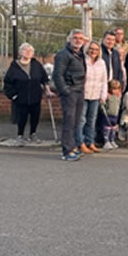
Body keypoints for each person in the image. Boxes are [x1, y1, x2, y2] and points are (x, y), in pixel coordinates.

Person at [4, 42, 52, 146]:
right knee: (22, 117)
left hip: (35, 96)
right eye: (25, 50)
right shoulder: (14, 66)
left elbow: (44, 79)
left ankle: (33, 134)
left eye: (30, 51)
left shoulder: (36, 65)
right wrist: (13, 95)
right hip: (21, 97)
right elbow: (7, 82)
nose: (28, 52)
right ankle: (20, 135)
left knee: (35, 116)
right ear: (20, 52)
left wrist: (48, 90)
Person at [52, 29, 86, 161]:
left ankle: (72, 147)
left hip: (79, 91)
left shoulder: (80, 54)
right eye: (75, 38)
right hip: (70, 92)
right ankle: (67, 151)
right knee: (69, 121)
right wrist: (65, 91)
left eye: (80, 39)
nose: (78, 40)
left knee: (76, 122)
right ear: (69, 39)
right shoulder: (63, 54)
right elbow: (57, 74)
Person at [75, 41, 107, 154]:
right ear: (87, 49)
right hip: (83, 94)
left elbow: (104, 80)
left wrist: (103, 95)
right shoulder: (82, 61)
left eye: (96, 49)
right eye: (91, 49)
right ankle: (80, 143)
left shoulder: (101, 63)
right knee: (81, 120)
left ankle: (90, 142)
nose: (93, 51)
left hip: (96, 95)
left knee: (92, 120)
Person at [101, 80, 123, 150]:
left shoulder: (118, 97)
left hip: (115, 115)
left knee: (113, 129)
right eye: (114, 89)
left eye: (117, 89)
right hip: (108, 115)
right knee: (107, 129)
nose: (115, 91)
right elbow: (103, 105)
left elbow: (118, 106)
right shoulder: (108, 96)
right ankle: (106, 141)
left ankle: (112, 140)